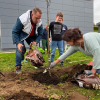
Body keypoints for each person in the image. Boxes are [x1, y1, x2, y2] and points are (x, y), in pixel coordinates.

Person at [12, 7, 43, 74]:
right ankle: (18, 67)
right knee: (20, 49)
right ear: (32, 15)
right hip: (22, 34)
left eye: (39, 18)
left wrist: (35, 41)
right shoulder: (22, 19)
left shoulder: (39, 22)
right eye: (36, 18)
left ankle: (37, 64)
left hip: (30, 35)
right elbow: (15, 31)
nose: (38, 20)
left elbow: (40, 34)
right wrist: (18, 43)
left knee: (34, 48)